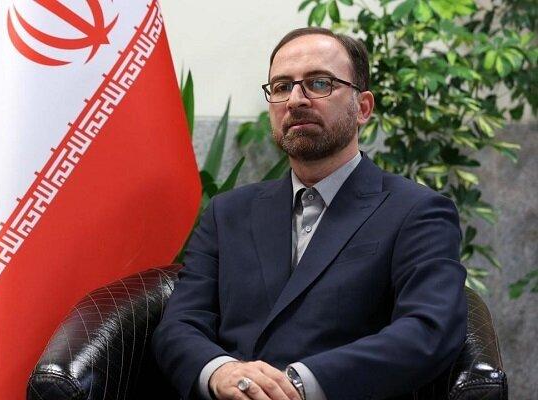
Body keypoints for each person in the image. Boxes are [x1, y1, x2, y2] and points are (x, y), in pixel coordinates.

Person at [152, 27, 467, 400]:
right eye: (282, 86)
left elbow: (429, 328)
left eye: (319, 83)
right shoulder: (228, 212)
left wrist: (301, 384)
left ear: (363, 107)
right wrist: (221, 372)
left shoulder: (417, 211)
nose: (295, 100)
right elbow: (180, 324)